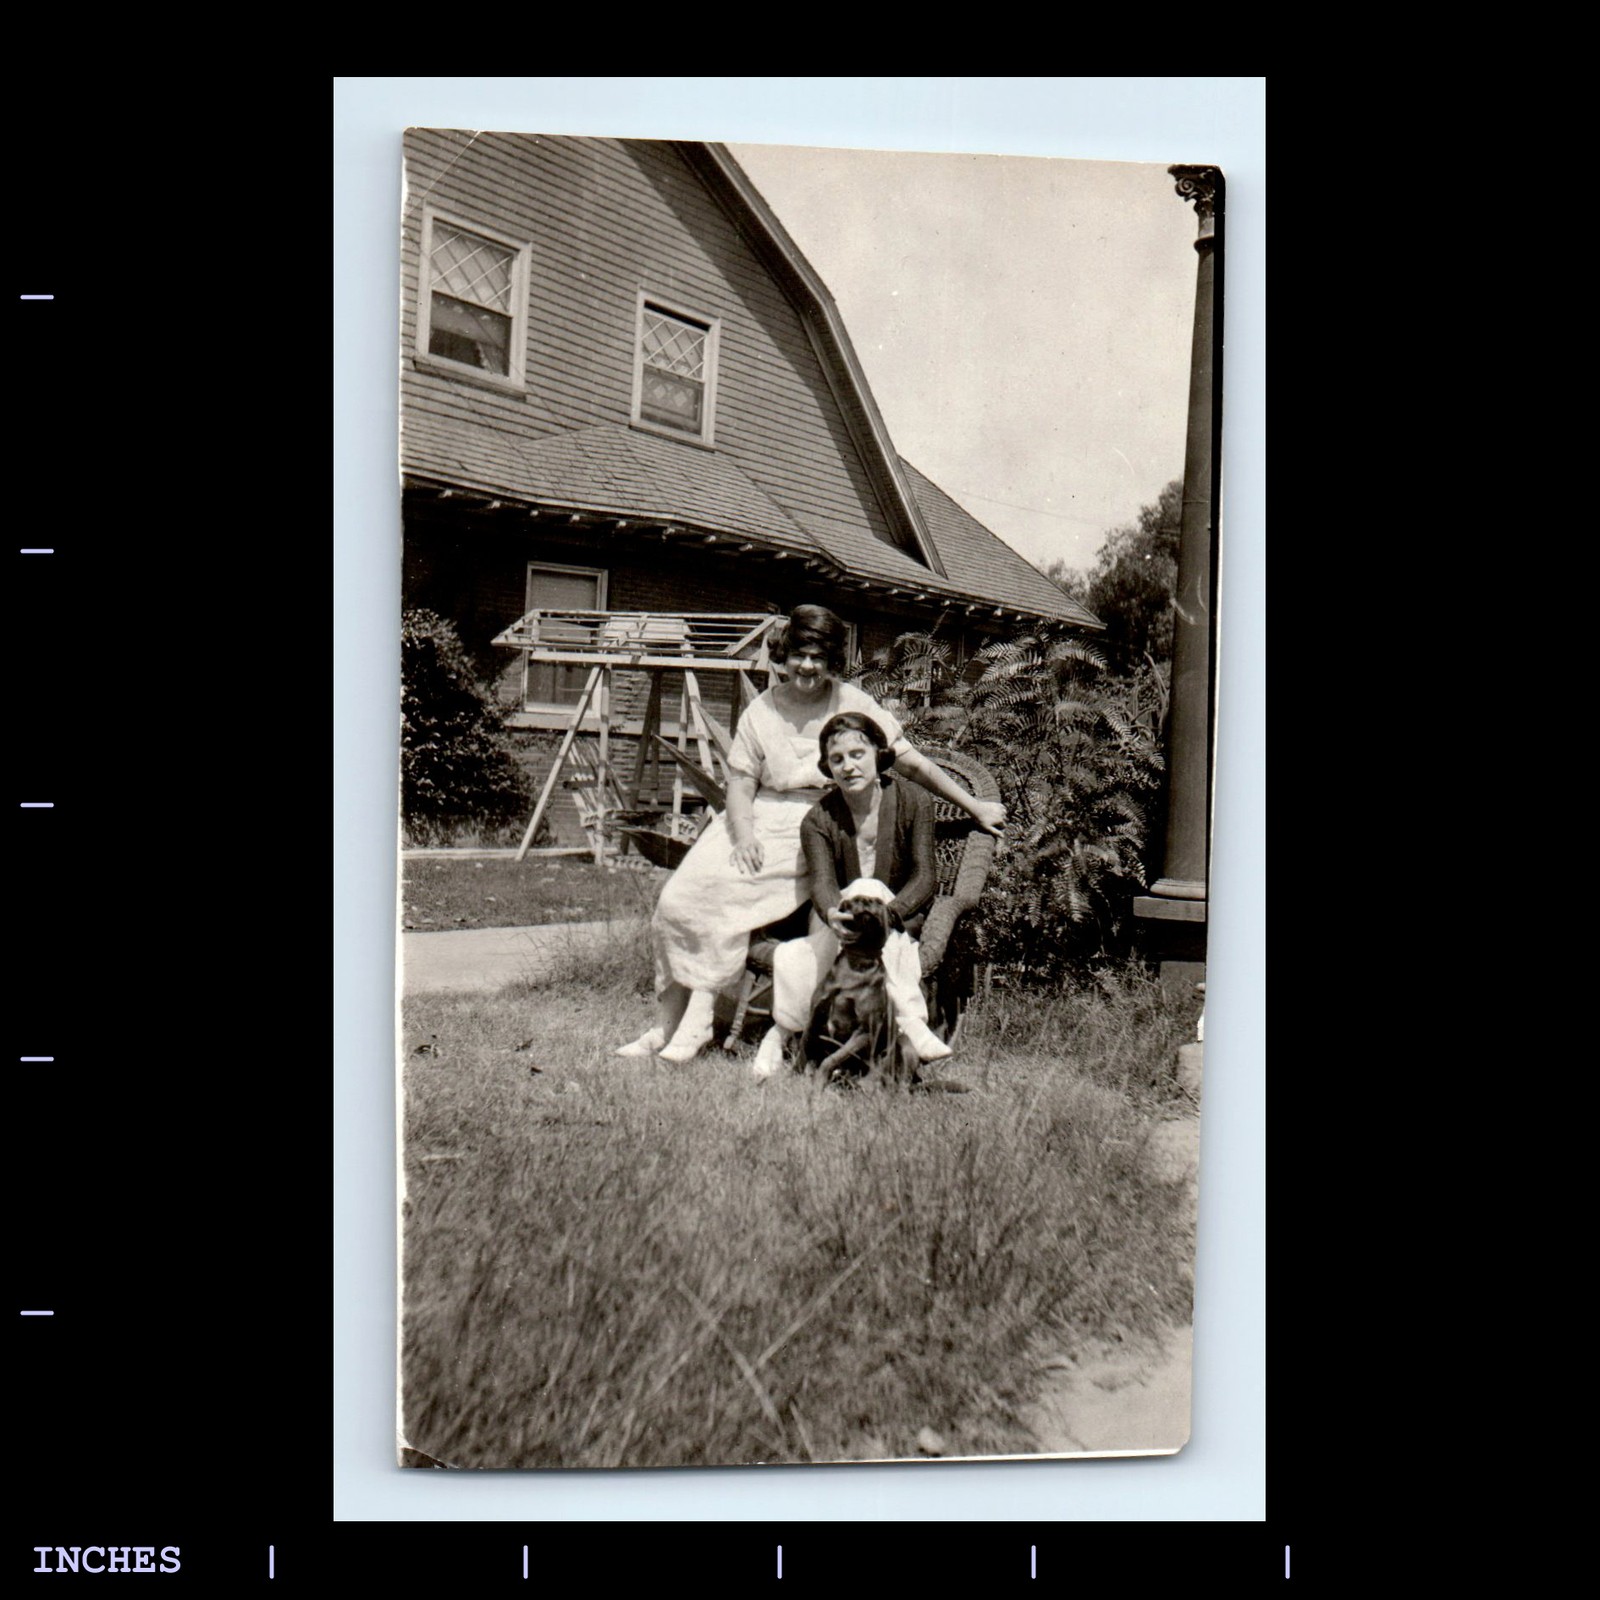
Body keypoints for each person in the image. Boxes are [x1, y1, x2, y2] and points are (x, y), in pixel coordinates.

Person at [616, 603, 1004, 1063]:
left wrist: (973, 805)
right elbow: (741, 782)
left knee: (729, 901)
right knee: (678, 898)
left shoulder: (853, 704)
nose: (806, 666)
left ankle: (697, 1024)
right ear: (783, 655)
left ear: (832, 660)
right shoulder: (762, 710)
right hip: (754, 821)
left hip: (819, 824)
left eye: (818, 657)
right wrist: (742, 836)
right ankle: (666, 1024)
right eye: (798, 654)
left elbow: (911, 762)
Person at [750, 712, 949, 1079]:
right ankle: (909, 1020)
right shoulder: (818, 819)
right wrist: (833, 913)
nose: (848, 766)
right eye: (837, 759)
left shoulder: (915, 801)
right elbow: (822, 884)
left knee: (870, 891)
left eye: (857, 754)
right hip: (838, 920)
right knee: (854, 897)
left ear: (878, 752)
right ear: (827, 766)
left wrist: (891, 913)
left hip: (901, 919)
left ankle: (782, 1032)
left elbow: (925, 876)